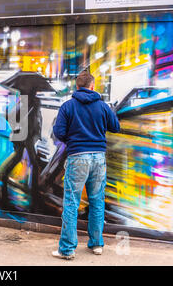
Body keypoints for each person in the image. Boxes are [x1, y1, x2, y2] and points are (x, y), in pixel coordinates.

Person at [51, 71, 120, 260]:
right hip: (98, 158)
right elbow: (116, 126)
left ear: (77, 86)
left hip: (77, 157)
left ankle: (67, 250)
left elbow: (59, 132)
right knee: (97, 201)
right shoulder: (103, 106)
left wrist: (74, 141)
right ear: (92, 86)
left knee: (72, 202)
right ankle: (96, 244)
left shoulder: (68, 106)